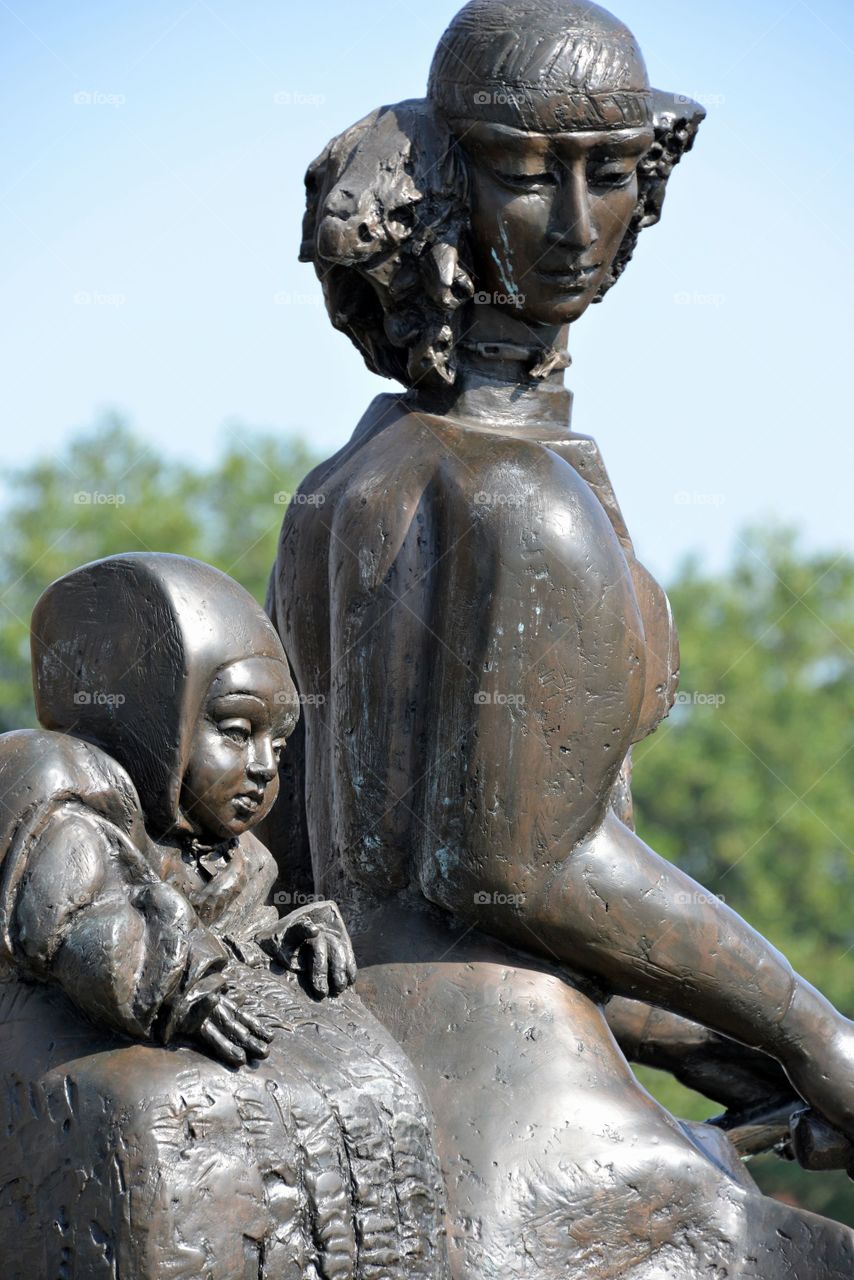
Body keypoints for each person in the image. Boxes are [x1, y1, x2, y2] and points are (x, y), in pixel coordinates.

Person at [268, 2, 854, 1275]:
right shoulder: (520, 498)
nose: (580, 226)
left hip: (378, 1109)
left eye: (614, 172)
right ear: (443, 182)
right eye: (527, 175)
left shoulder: (344, 482)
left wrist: (729, 1047)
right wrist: (821, 1038)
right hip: (526, 1139)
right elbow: (530, 869)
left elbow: (446, 887)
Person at [0, 553, 449, 1280]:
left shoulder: (235, 857)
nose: (266, 765)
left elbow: (232, 927)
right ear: (150, 714)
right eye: (236, 731)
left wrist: (287, 937)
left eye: (278, 741)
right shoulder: (46, 780)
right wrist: (182, 987)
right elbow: (84, 900)